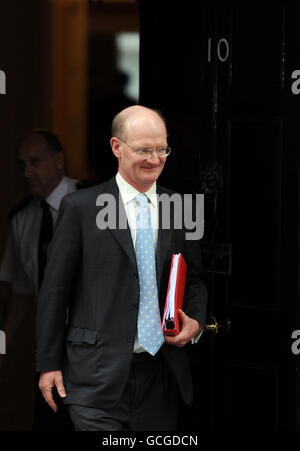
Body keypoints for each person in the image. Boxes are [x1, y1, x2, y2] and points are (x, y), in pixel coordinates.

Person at [36, 106, 207, 431]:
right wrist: (48, 364)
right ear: (117, 147)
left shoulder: (178, 207)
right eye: (144, 150)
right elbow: (54, 292)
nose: (155, 159)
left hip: (160, 376)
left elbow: (194, 279)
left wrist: (195, 321)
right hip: (95, 376)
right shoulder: (80, 208)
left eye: (162, 149)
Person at [0, 129, 91, 430]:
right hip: (50, 353)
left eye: (35, 162)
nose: (26, 172)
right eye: (22, 164)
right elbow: (23, 291)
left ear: (59, 162)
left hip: (96, 349)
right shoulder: (22, 220)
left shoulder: (96, 204)